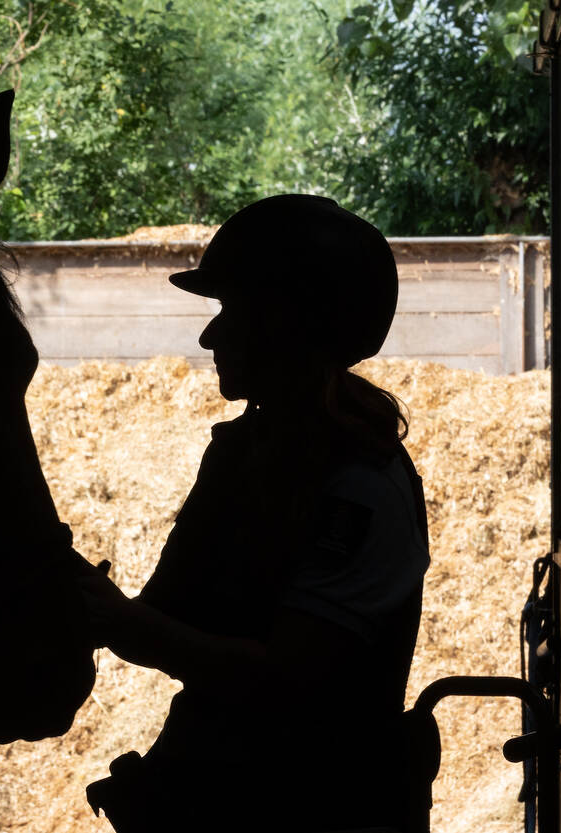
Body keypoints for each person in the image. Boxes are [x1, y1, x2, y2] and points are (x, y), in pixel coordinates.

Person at [78, 194, 430, 832]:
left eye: (231, 311)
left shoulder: (359, 486)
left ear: (289, 324)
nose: (210, 335)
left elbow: (287, 683)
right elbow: (169, 614)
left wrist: (117, 621)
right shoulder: (249, 453)